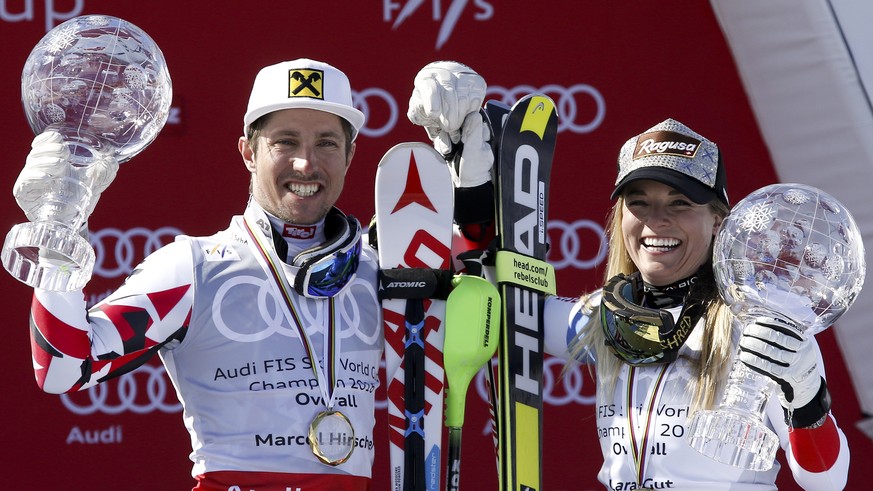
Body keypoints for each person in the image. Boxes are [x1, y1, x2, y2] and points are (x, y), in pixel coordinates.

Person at [14, 58, 489, 490]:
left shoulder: (384, 267)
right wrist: (56, 233)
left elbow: (515, 307)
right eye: (284, 142)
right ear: (247, 151)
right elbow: (62, 368)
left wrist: (465, 159)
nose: (306, 163)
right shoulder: (195, 267)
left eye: (327, 142)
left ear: (349, 155)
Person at [538, 118, 851, 489]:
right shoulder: (603, 318)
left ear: (718, 220)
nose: (657, 221)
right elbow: (505, 310)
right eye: (639, 203)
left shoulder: (758, 325)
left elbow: (826, 481)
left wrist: (807, 394)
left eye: (680, 203)